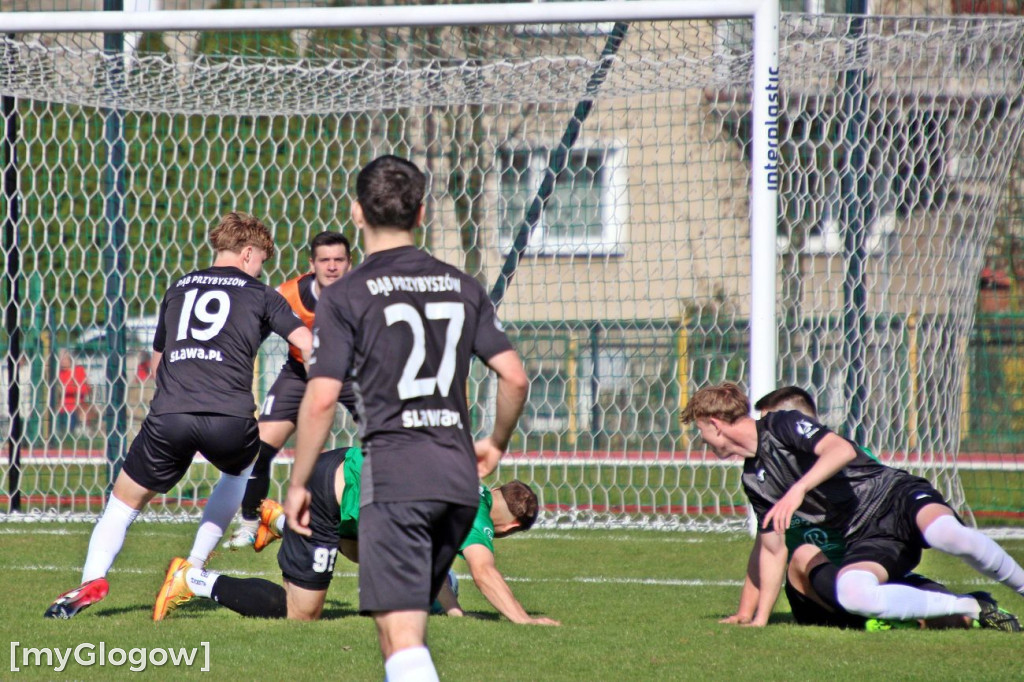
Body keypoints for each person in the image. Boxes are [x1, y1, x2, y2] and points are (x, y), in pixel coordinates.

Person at [285, 155, 530, 682]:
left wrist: (300, 480)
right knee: (406, 625)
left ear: (356, 213)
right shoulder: (463, 285)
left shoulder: (345, 294)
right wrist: (496, 444)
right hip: (459, 482)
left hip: (396, 476)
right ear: (421, 214)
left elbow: (322, 399)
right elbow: (514, 378)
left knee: (400, 636)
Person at [44, 212, 313, 620]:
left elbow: (157, 362)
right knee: (238, 475)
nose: (260, 268)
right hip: (229, 417)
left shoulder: (179, 287)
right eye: (261, 260)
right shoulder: (261, 293)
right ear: (247, 253)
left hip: (170, 413)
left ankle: (90, 579)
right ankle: (194, 565)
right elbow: (307, 343)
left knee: (122, 505)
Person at [681, 381, 1024, 631]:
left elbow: (841, 450)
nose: (702, 441)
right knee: (854, 593)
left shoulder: (782, 424)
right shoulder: (754, 480)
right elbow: (771, 551)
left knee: (950, 536)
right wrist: (755, 618)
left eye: (701, 431)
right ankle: (969, 606)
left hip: (895, 496)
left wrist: (797, 490)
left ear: (714, 424)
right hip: (867, 537)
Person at [153, 445, 559, 626]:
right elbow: (485, 573)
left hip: (346, 479)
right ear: (509, 527)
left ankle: (278, 521)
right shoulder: (477, 516)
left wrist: (453, 612)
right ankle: (193, 579)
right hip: (331, 497)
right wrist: (523, 620)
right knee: (302, 613)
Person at [222, 231, 354, 550]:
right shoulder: (288, 294)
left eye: (339, 260)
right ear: (311, 264)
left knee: (388, 442)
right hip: (298, 375)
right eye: (325, 260)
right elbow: (253, 335)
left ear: (350, 263)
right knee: (258, 450)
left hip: (354, 375)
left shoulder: (365, 295)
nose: (332, 266)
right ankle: (253, 522)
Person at [55, 349, 92, 437]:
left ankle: (77, 430)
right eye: (61, 359)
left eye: (65, 358)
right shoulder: (58, 374)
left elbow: (85, 389)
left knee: (81, 409)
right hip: (62, 408)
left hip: (75, 406)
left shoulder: (78, 370)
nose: (63, 361)